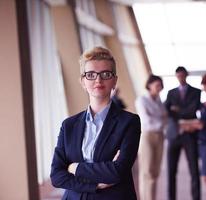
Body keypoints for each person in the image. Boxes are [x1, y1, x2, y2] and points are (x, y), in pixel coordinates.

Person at [50, 46, 141, 200]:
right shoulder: (69, 125)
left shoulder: (129, 122)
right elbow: (56, 175)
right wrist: (95, 185)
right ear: (83, 81)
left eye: (105, 74)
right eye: (91, 75)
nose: (98, 80)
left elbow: (118, 171)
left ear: (114, 80)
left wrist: (75, 167)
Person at [165, 66, 201, 200]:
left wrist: (176, 110)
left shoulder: (196, 92)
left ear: (186, 75)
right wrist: (183, 115)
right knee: (171, 171)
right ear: (176, 76)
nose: (180, 78)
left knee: (194, 170)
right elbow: (166, 110)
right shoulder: (170, 93)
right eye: (178, 76)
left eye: (182, 76)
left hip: (189, 135)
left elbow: (193, 109)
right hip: (173, 135)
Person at [135, 74, 167, 200]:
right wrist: (160, 120)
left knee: (155, 172)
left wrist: (159, 120)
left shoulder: (159, 101)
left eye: (161, 85)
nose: (160, 88)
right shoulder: (142, 100)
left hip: (160, 136)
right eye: (157, 85)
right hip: (147, 136)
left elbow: (166, 118)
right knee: (147, 171)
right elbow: (147, 121)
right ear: (149, 85)